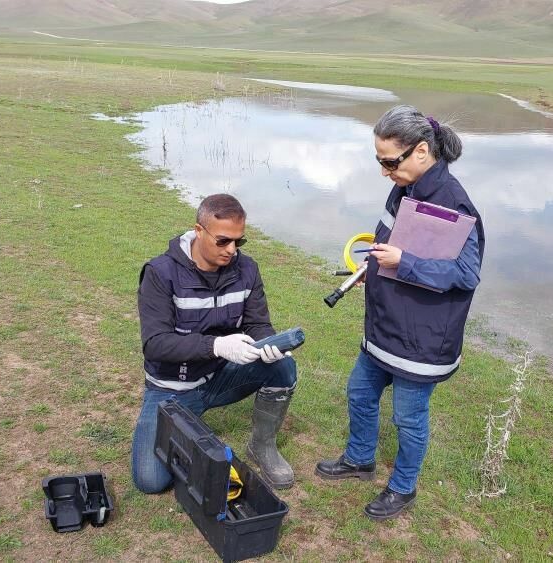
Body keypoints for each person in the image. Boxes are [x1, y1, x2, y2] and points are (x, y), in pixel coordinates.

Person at [316, 105, 484, 520]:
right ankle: (359, 460)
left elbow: (466, 274)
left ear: (422, 152)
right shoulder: (402, 188)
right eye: (379, 161)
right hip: (384, 326)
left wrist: (401, 261)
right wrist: (371, 269)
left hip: (423, 338)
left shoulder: (457, 205)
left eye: (390, 161)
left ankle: (403, 487)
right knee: (359, 393)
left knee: (408, 418)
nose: (384, 170)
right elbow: (386, 241)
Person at [131, 194, 298, 492]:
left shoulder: (247, 270)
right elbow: (155, 344)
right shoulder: (160, 273)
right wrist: (217, 346)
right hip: (171, 389)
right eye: (223, 241)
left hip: (220, 378)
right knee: (150, 481)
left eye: (239, 241)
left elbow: (257, 323)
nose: (232, 250)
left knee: (283, 367)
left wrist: (269, 344)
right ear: (198, 230)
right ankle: (186, 429)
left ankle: (262, 446)